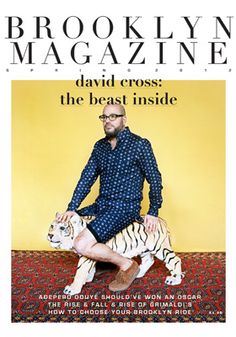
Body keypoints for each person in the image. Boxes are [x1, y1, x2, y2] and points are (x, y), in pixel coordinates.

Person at [56, 104, 163, 291]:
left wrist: (153, 211)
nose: (108, 120)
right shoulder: (100, 147)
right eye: (104, 117)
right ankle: (91, 266)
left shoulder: (140, 144)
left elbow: (155, 179)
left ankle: (127, 265)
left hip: (124, 208)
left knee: (81, 243)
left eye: (113, 116)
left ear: (124, 119)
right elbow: (86, 178)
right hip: (102, 204)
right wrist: (72, 207)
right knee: (67, 223)